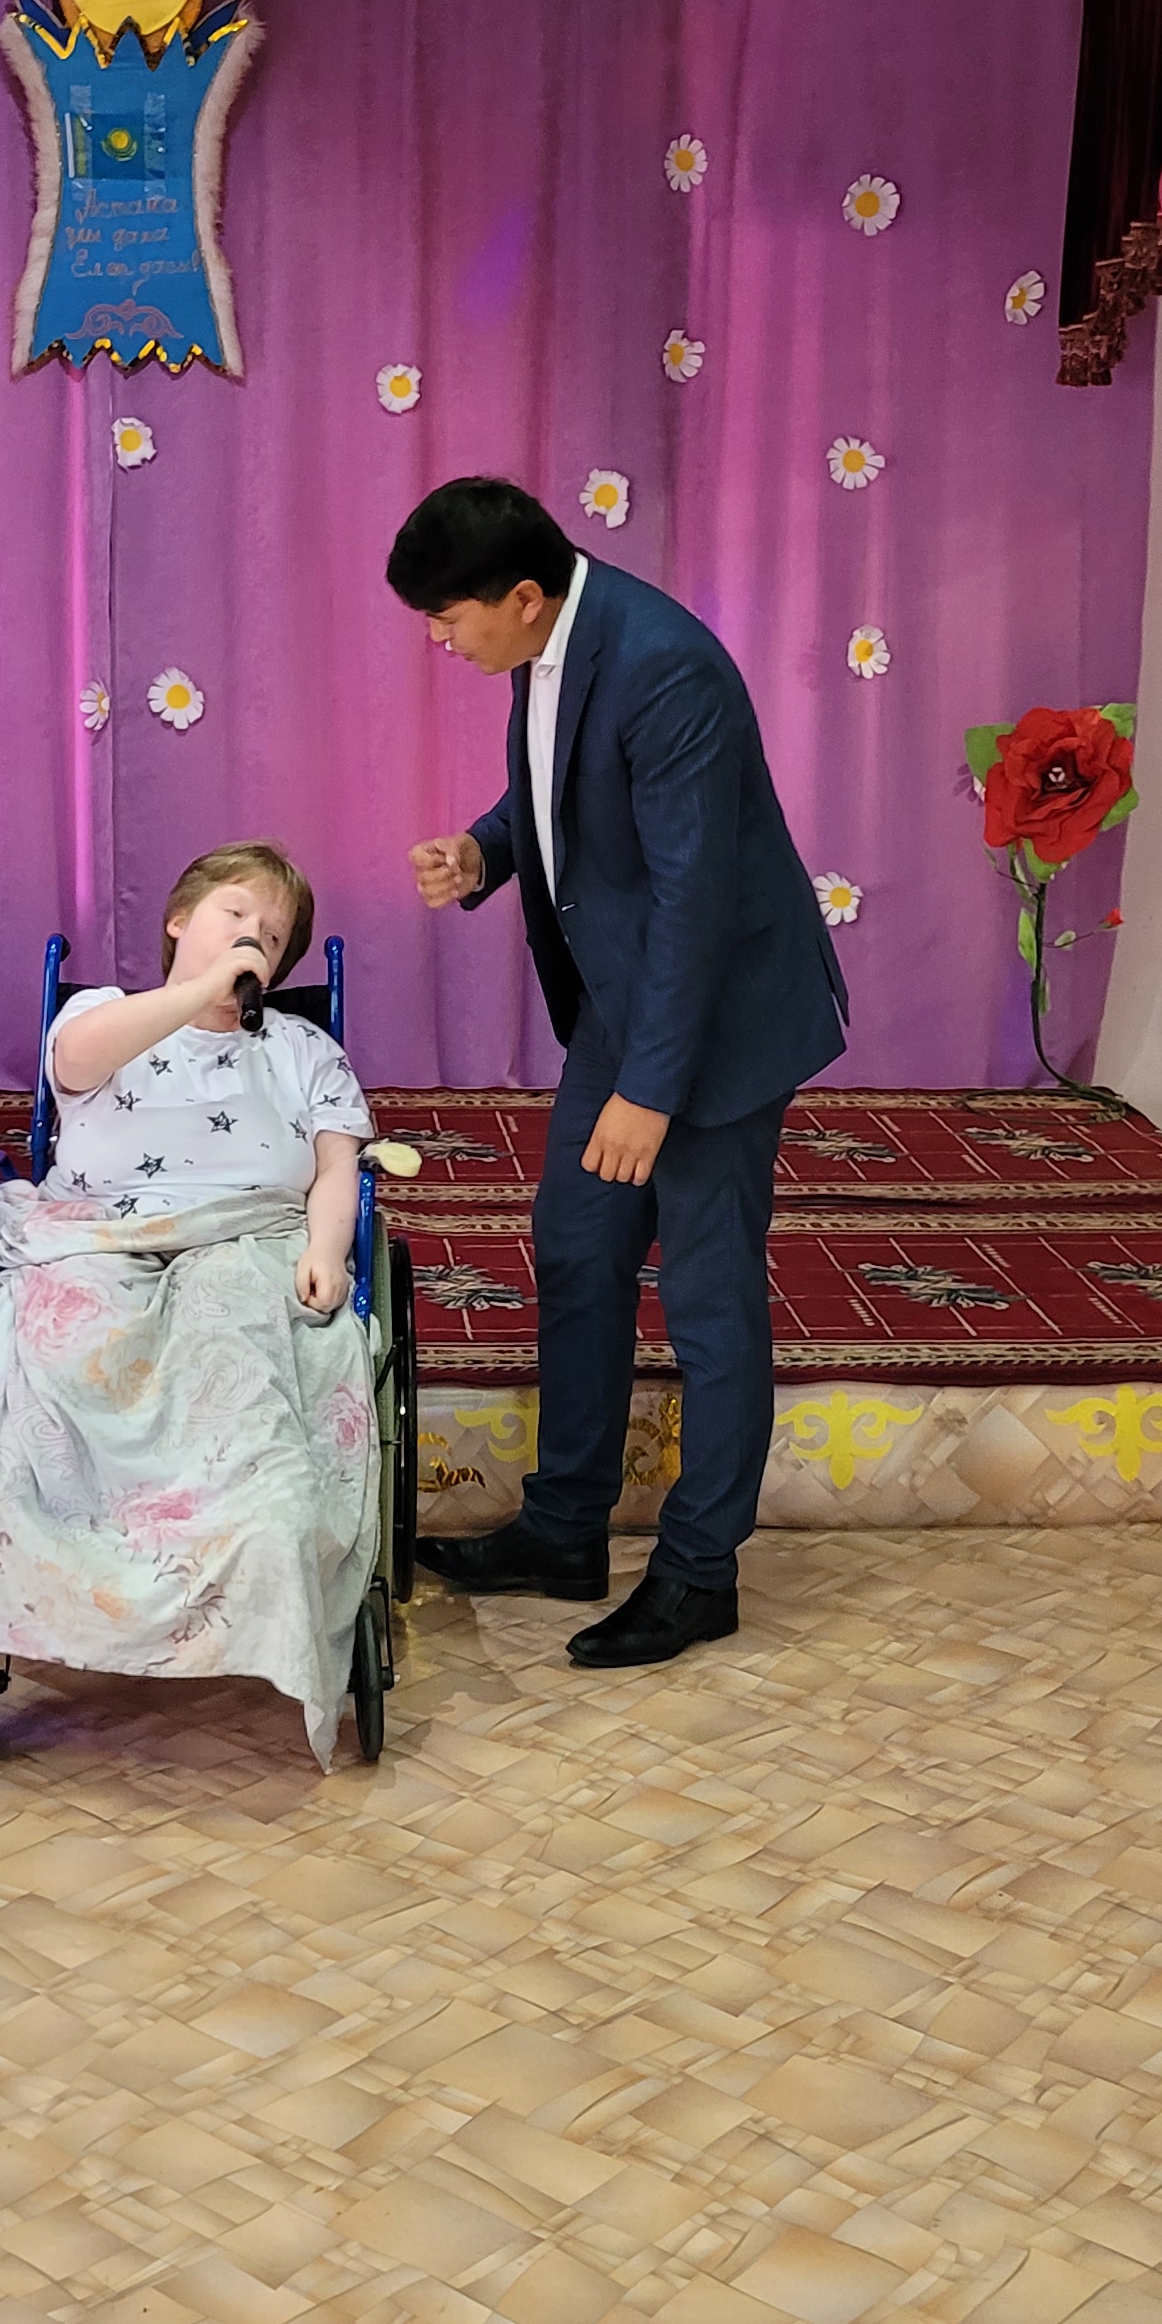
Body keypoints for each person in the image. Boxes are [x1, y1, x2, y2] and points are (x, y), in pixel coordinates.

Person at [388, 478, 847, 1668]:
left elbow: (697, 898)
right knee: (580, 1250)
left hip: (718, 1020)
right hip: (630, 1001)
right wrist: (484, 851)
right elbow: (558, 786)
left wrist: (650, 1091)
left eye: (447, 618)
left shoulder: (666, 667)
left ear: (522, 598)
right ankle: (564, 1528)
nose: (439, 639)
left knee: (707, 1294)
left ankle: (699, 1571)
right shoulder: (552, 643)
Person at [0, 842, 381, 1766]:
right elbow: (78, 1060)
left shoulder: (303, 1050)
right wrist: (199, 993)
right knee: (64, 1346)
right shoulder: (103, 1014)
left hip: (245, 1240)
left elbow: (339, 1167)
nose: (252, 938)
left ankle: (259, 1551)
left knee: (237, 1371)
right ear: (178, 921)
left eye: (271, 936)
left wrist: (327, 1252)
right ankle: (62, 1565)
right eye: (234, 915)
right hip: (96, 1234)